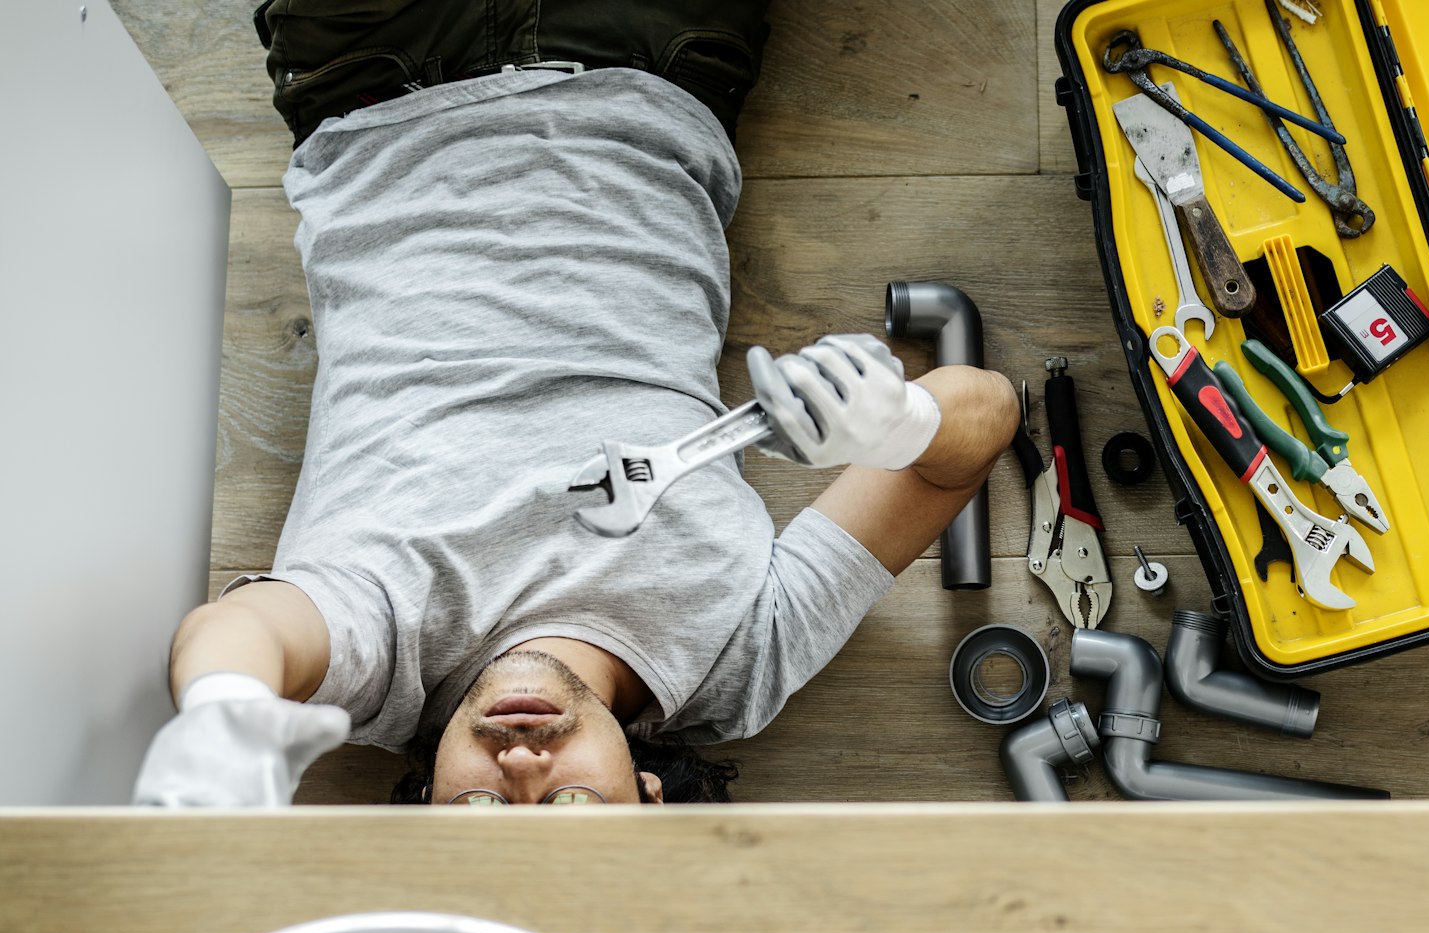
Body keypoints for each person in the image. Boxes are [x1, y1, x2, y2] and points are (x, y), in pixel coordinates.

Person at [133, 0, 1016, 807]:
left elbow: (245, 629)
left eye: (478, 807)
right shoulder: (740, 656)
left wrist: (221, 708)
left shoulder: (377, 665)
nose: (519, 766)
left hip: (372, 74)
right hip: (651, 55)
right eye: (568, 805)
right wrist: (903, 425)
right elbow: (985, 418)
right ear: (647, 795)